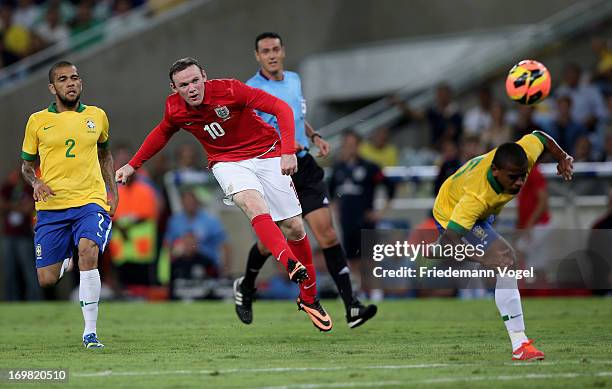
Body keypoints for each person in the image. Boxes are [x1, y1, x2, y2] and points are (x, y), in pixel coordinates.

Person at [115, 57, 332, 331]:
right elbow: (162, 133)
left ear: (204, 76)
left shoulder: (230, 90)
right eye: (184, 84)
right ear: (174, 88)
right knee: (252, 203)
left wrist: (288, 150)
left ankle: (309, 298)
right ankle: (288, 261)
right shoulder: (175, 109)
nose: (192, 88)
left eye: (195, 80)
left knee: (295, 227)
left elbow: (281, 108)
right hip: (226, 161)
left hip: (266, 153)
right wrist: (133, 165)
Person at [233, 31, 376, 329]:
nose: (271, 54)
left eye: (275, 49)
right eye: (265, 51)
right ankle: (246, 286)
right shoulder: (251, 89)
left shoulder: (295, 79)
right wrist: (283, 144)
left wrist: (312, 135)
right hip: (274, 168)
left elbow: (295, 115)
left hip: (305, 165)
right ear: (257, 56)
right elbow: (252, 129)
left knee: (327, 235)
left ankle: (351, 306)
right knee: (268, 242)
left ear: (283, 51)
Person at [432, 130, 573, 360]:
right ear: (495, 171)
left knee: (503, 260)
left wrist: (563, 157)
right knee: (505, 259)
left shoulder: (523, 155)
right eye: (513, 177)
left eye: (522, 175)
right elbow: (452, 238)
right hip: (450, 212)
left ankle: (436, 249)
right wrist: (482, 258)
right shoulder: (475, 197)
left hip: (482, 211)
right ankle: (520, 344)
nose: (519, 183)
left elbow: (540, 136)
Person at [20, 60, 118, 348]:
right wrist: (36, 183)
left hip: (90, 200)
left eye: (74, 78)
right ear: (52, 87)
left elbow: (106, 155)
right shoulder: (37, 121)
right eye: (63, 79)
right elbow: (26, 166)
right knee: (47, 280)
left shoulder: (97, 116)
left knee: (89, 251)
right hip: (52, 207)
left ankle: (90, 332)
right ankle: (68, 259)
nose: (70, 83)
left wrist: (111, 190)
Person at [328, 130, 396, 297]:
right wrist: (336, 212)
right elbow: (331, 194)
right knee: (351, 259)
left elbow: (390, 187)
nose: (350, 148)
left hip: (365, 219)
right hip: (347, 220)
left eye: (353, 144)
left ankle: (376, 293)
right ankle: (356, 293)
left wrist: (380, 212)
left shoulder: (370, 167)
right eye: (347, 144)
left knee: (370, 258)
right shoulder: (338, 168)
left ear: (358, 145)